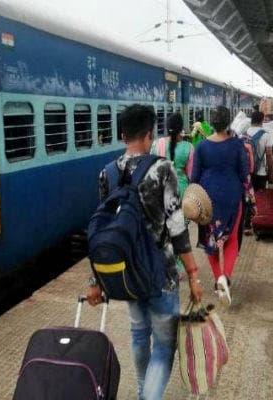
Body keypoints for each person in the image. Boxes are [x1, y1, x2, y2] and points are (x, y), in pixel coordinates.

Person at [87, 104, 203, 400]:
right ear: (150, 134)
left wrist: (95, 280)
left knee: (139, 334)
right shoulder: (162, 169)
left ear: (122, 135)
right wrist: (193, 273)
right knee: (164, 345)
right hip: (161, 274)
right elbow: (176, 227)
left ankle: (142, 391)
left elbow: (102, 228)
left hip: (127, 273)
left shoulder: (107, 173)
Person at [192, 106, 250, 306]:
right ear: (228, 123)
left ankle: (218, 279)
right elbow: (244, 173)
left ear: (212, 123)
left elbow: (194, 177)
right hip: (232, 196)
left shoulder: (201, 146)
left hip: (207, 198)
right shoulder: (237, 145)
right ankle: (226, 277)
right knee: (231, 238)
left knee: (211, 239)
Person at [151, 113, 195, 275]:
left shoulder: (157, 144)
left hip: (160, 191)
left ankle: (162, 263)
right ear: (181, 128)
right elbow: (191, 174)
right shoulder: (189, 148)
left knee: (162, 228)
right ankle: (178, 266)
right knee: (180, 229)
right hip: (181, 191)